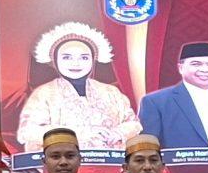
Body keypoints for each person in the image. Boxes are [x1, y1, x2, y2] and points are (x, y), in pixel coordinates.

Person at [17, 20, 139, 156]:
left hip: (111, 163)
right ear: (55, 60)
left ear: (93, 60)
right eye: (67, 57)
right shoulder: (44, 93)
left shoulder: (111, 92)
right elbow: (27, 132)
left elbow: (133, 124)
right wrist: (77, 133)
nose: (76, 63)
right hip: (64, 164)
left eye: (84, 58)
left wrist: (118, 133)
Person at [137, 39, 208, 161]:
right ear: (180, 68)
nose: (205, 70)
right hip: (180, 170)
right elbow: (148, 148)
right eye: (196, 64)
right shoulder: (156, 102)